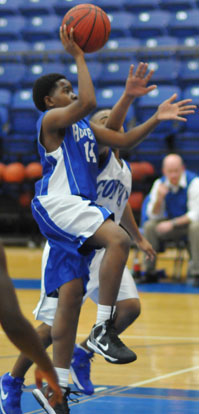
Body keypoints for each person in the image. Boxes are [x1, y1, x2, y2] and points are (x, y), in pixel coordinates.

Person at [16, 23, 195, 414]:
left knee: (70, 300)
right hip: (60, 204)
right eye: (64, 89)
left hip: (79, 215)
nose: (73, 92)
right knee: (118, 241)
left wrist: (157, 118)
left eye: (71, 85)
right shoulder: (51, 123)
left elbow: (125, 141)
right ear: (49, 101)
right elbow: (89, 102)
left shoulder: (86, 128)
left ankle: (55, 389)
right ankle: (101, 329)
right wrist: (79, 56)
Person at [0, 242, 62, 413]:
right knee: (52, 325)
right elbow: (12, 322)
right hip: (69, 247)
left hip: (99, 249)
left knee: (128, 308)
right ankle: (12, 382)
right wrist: (47, 368)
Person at [143, 154, 199, 286]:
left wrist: (172, 223)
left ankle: (197, 273)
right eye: (170, 172)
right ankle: (149, 272)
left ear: (183, 169)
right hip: (169, 225)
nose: (173, 175)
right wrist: (159, 199)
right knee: (150, 226)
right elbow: (152, 215)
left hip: (187, 227)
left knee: (196, 227)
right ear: (164, 171)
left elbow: (195, 214)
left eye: (176, 171)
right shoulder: (159, 184)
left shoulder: (194, 182)